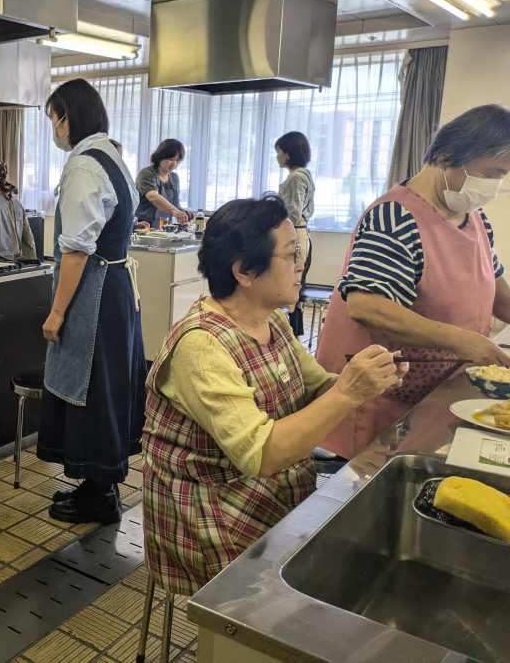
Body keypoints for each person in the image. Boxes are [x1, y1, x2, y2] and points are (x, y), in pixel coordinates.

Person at [142, 194, 406, 594]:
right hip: (212, 516)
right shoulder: (202, 345)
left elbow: (319, 387)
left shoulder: (273, 322)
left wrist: (365, 379)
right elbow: (261, 455)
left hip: (272, 495)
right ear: (245, 270)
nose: (302, 264)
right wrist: (349, 393)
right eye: (291, 254)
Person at [316, 104, 510, 459]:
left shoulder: (475, 219)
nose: (496, 185)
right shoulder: (395, 217)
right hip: (383, 401)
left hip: (434, 398)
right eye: (492, 173)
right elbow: (367, 305)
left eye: (503, 176)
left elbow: (495, 289)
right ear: (449, 156)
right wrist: (460, 340)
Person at [38, 79, 147, 524]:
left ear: (70, 116)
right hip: (115, 285)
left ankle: (99, 492)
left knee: (92, 388)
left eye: (55, 118)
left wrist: (58, 312)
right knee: (107, 386)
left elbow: (77, 249)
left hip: (95, 289)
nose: (55, 128)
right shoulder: (113, 154)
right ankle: (96, 484)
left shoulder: (84, 164)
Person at [276, 131, 315, 336]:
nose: (277, 157)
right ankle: (293, 330)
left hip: (294, 230)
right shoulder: (305, 174)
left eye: (279, 152)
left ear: (288, 154)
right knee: (295, 279)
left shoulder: (295, 177)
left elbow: (292, 212)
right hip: (302, 230)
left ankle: (288, 331)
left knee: (289, 278)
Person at [135, 139, 194, 227]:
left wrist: (182, 212)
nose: (174, 163)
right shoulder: (147, 173)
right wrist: (175, 211)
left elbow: (174, 205)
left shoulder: (174, 178)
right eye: (171, 159)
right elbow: (153, 197)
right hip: (146, 226)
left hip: (167, 227)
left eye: (177, 160)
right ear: (161, 156)